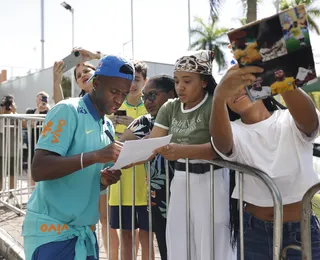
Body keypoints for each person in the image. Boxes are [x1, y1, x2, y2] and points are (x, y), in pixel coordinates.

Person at [22, 54, 135, 260]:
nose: (119, 99)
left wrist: (102, 181)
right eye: (114, 91)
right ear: (96, 83)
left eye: (124, 94)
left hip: (84, 236)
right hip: (52, 236)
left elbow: (82, 176)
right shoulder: (67, 110)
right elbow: (39, 169)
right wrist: (95, 156)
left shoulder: (107, 125)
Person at [210, 64, 320, 259]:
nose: (237, 91)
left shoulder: (289, 118)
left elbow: (310, 123)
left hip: (302, 230)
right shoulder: (233, 129)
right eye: (230, 89)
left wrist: (277, 74)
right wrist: (218, 96)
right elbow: (221, 144)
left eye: (244, 84)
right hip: (253, 232)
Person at [148, 50, 236, 260]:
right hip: (180, 180)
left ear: (204, 82)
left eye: (187, 81)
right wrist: (123, 155)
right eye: (177, 81)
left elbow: (220, 148)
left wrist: (181, 151)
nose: (180, 87)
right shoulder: (170, 107)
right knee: (179, 241)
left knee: (212, 243)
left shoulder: (215, 104)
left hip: (212, 180)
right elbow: (153, 142)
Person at [52, 48, 120, 257]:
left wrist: (95, 56)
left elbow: (118, 67)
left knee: (106, 220)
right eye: (78, 74)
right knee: (86, 221)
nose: (82, 75)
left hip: (102, 170)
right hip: (82, 171)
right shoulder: (73, 106)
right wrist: (56, 80)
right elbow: (59, 103)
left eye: (87, 71)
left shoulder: (111, 98)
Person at [120, 75, 177, 259]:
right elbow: (120, 148)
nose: (147, 102)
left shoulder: (186, 119)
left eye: (152, 95)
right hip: (159, 202)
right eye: (144, 97)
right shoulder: (145, 122)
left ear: (171, 94)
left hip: (189, 198)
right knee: (167, 251)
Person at [108, 61, 150, 260]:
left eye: (138, 80)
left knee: (147, 237)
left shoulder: (151, 108)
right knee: (126, 237)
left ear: (145, 81)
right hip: (121, 186)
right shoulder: (114, 107)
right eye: (130, 79)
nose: (133, 84)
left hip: (146, 186)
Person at [0, 95, 17, 190]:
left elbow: (23, 124)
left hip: (12, 148)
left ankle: (11, 193)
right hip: (1, 147)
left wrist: (15, 111)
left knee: (12, 173)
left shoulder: (15, 115)